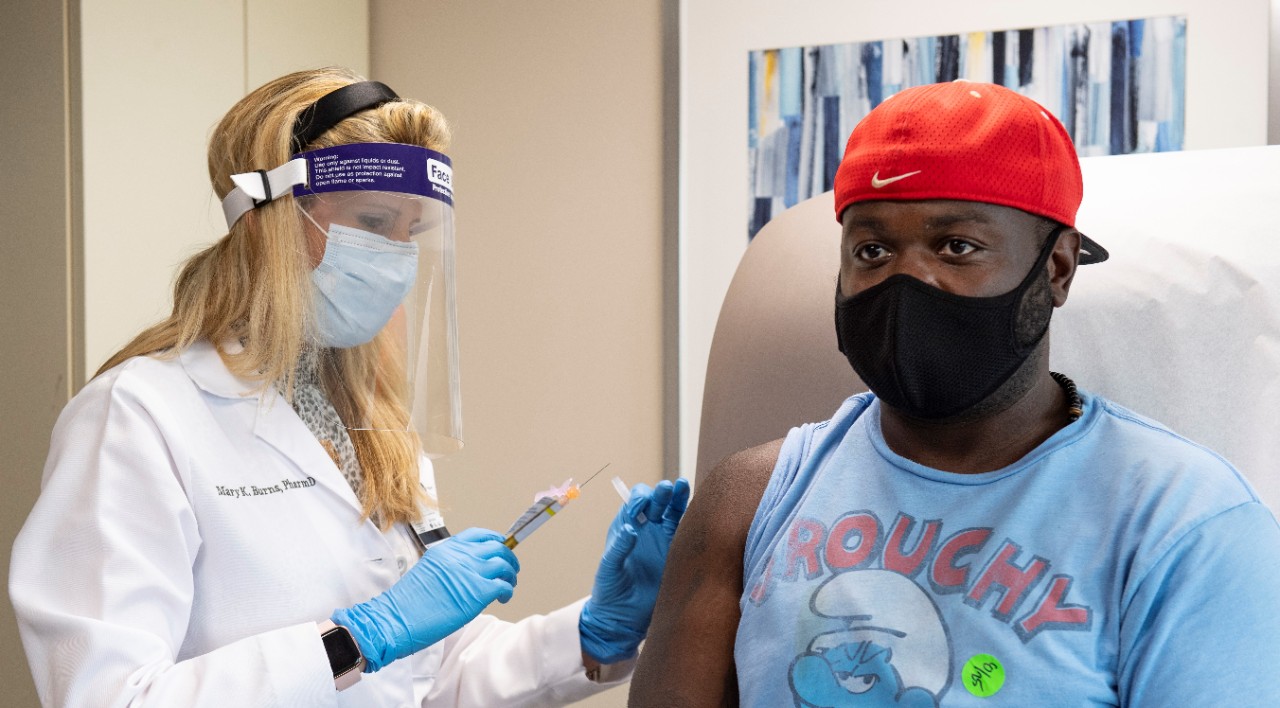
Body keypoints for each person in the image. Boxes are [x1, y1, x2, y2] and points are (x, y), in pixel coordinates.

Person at [10, 67, 689, 707]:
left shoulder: (370, 420)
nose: (396, 256)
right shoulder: (138, 416)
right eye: (372, 223)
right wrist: (355, 639)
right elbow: (111, 696)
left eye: (410, 231)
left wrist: (595, 633)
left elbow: (428, 675)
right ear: (268, 219)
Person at [630, 80, 1280, 707]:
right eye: (873, 250)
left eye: (957, 246)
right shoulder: (747, 501)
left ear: (1055, 268)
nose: (908, 280)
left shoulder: (1185, 524)